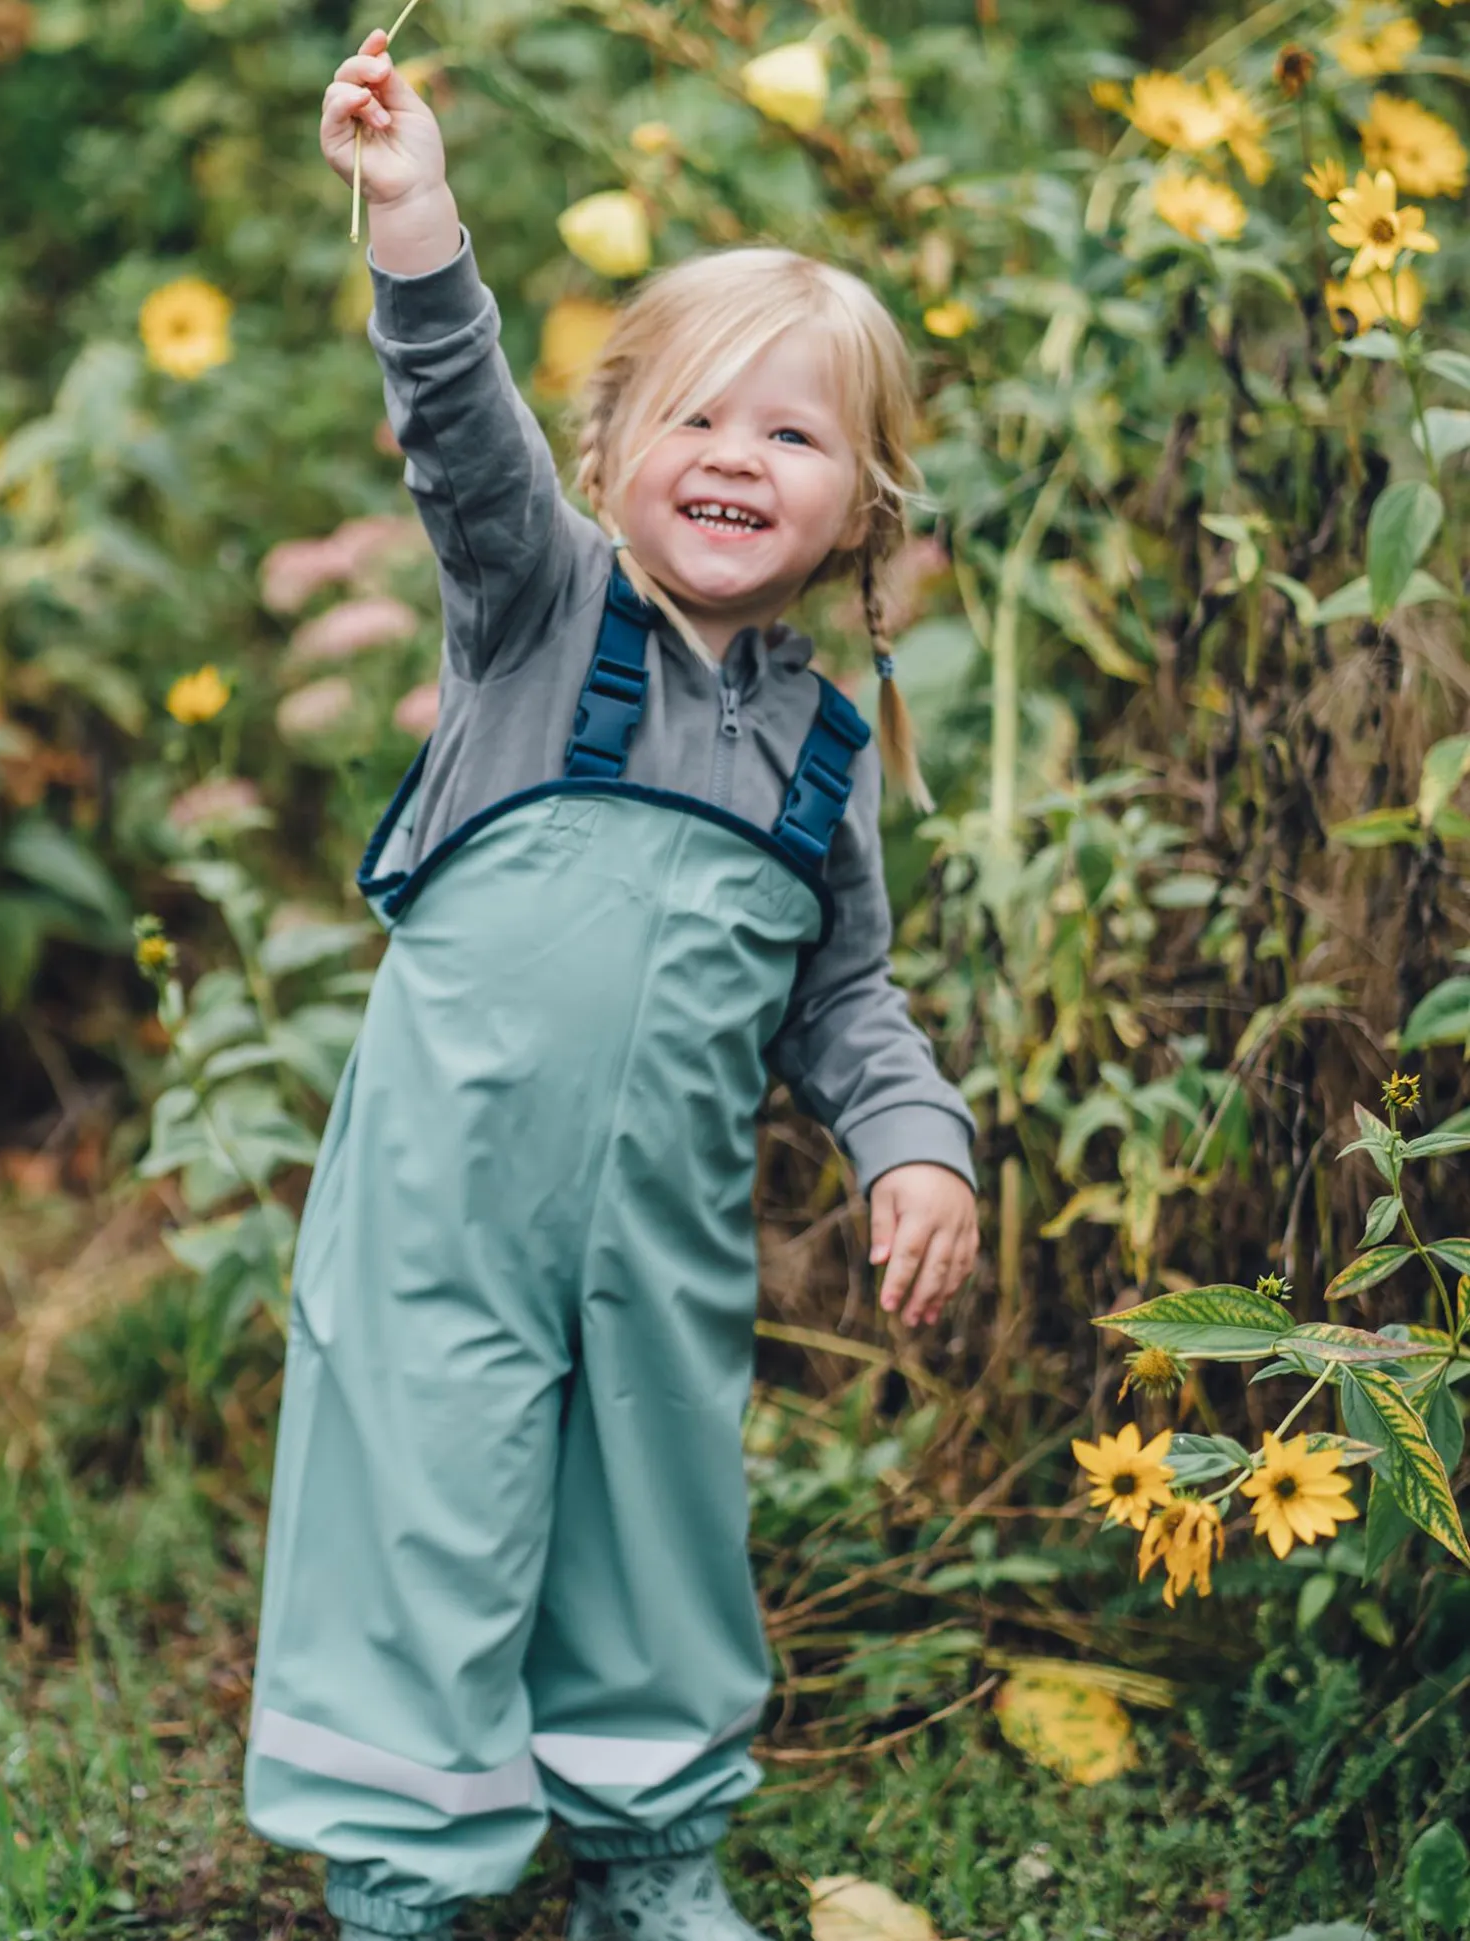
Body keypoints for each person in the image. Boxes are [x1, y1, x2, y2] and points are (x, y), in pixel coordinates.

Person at [243, 29, 982, 1941]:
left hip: (660, 1247)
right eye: (699, 422)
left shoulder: (823, 753)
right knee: (427, 1520)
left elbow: (850, 1005)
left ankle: (651, 1861)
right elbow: (456, 418)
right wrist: (410, 208)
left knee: (655, 1546)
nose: (737, 458)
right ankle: (406, 1869)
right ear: (610, 458)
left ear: (864, 513)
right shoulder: (536, 612)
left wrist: (920, 1149)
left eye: (795, 435)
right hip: (443, 1216)